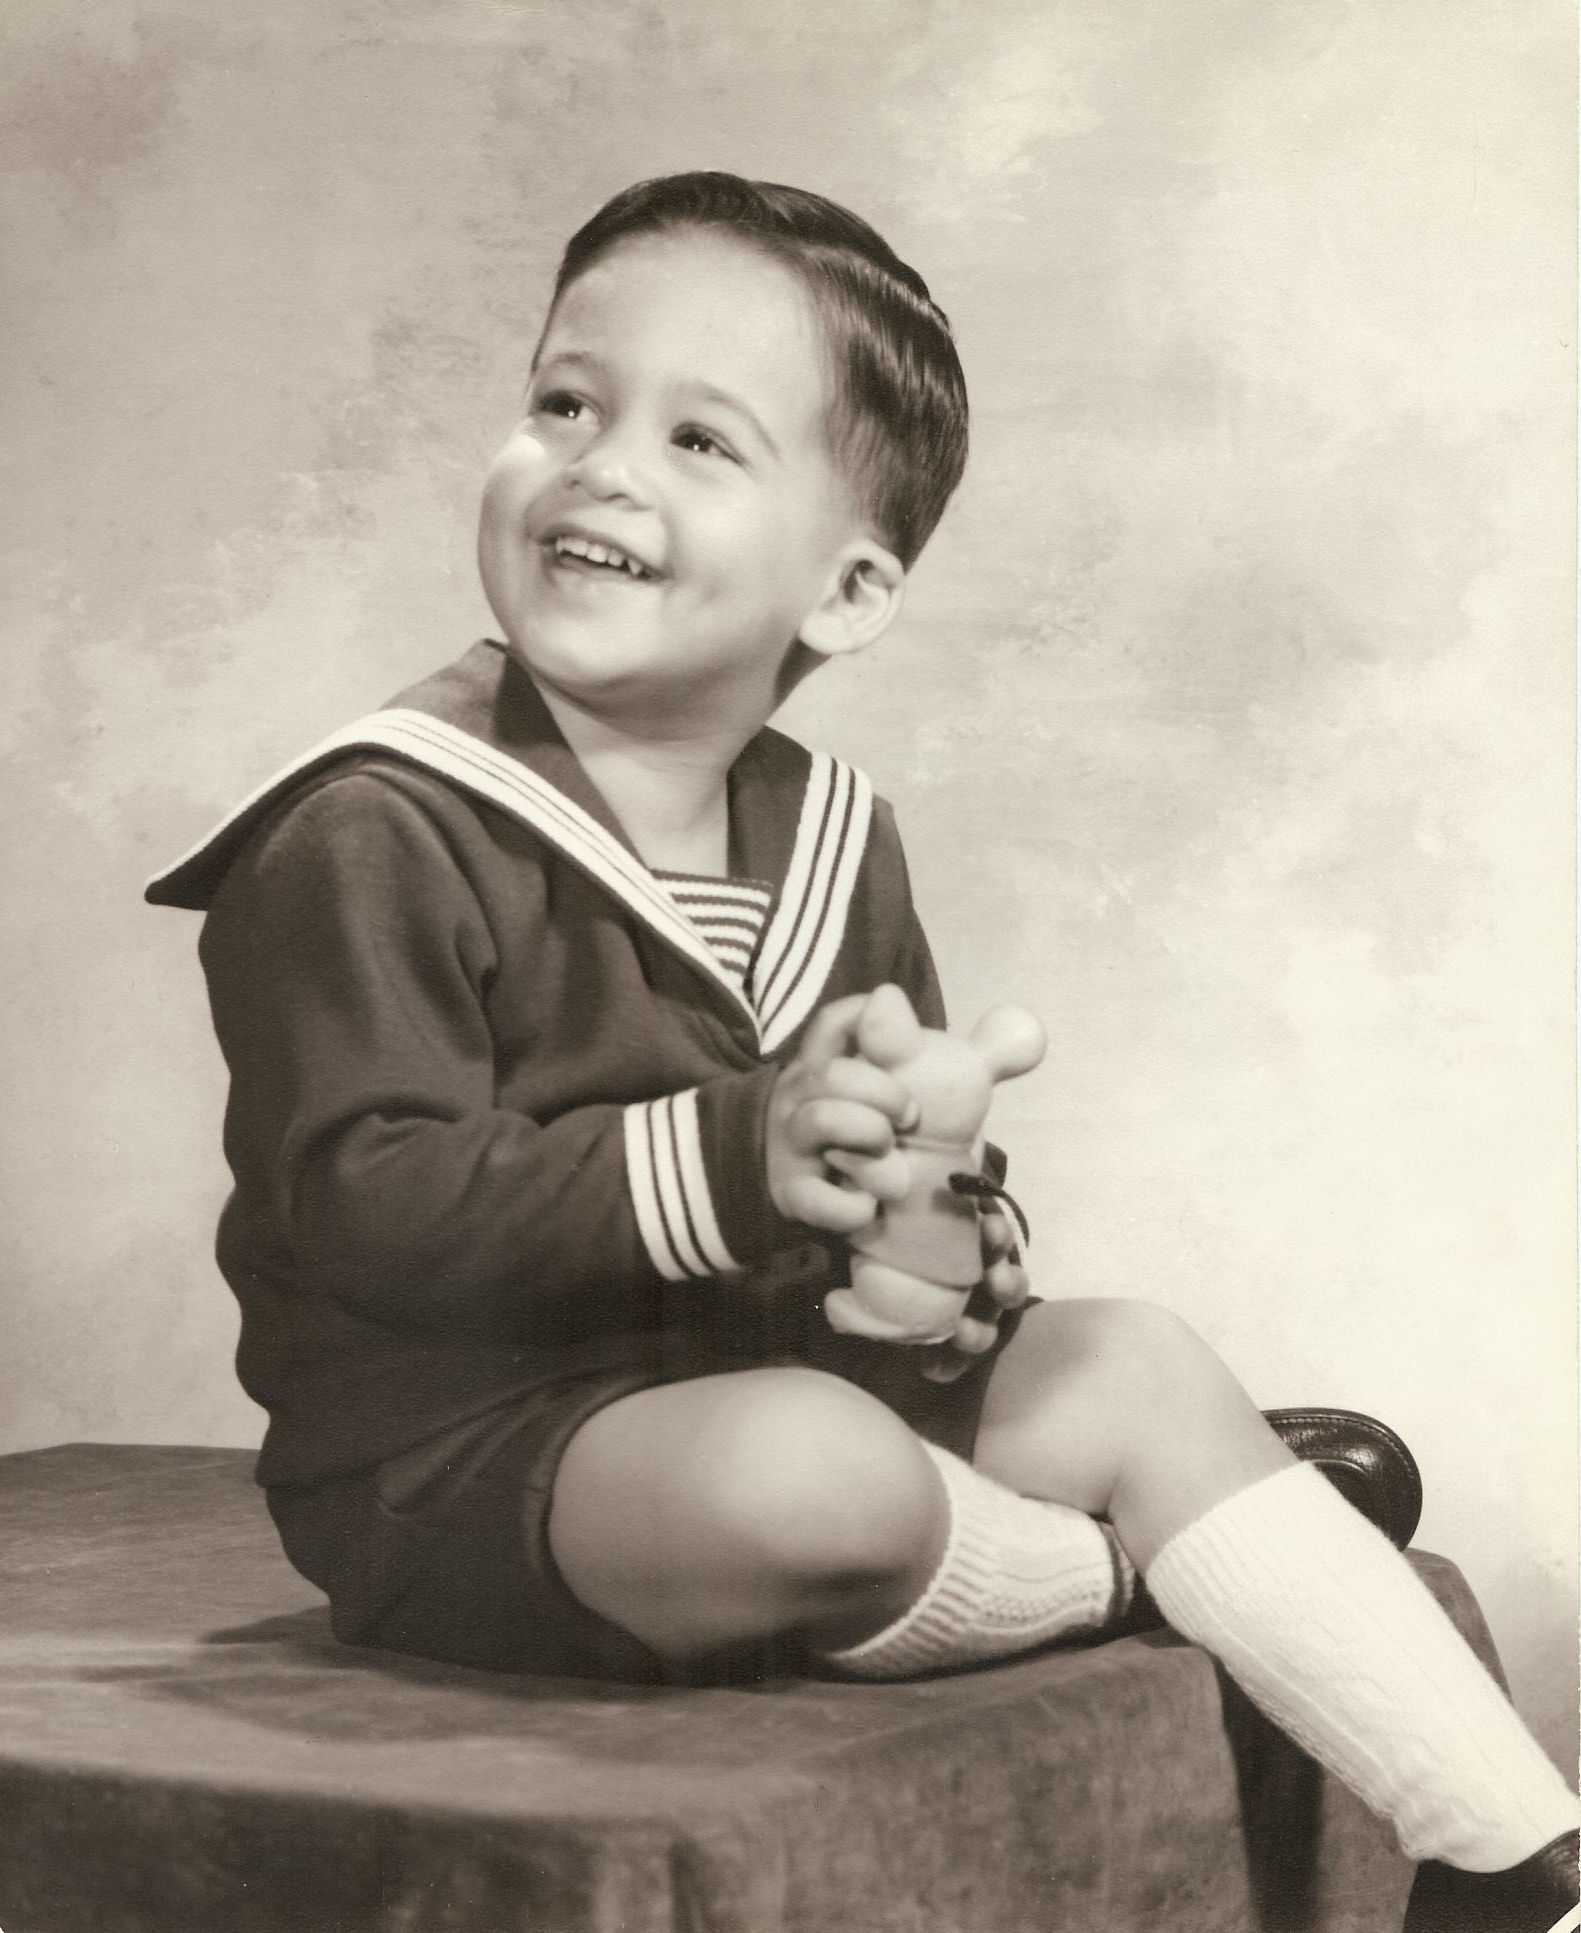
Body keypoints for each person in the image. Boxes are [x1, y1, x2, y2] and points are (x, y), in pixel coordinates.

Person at [149, 172, 1577, 1930]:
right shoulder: (371, 822)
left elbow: (895, 1177)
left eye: (698, 439)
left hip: (778, 1375)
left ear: (846, 590)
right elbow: (365, 1204)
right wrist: (744, 1154)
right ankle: (1139, 1561)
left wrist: (934, 1253)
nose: (600, 466)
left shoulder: (834, 833)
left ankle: (1507, 1860)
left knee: (1133, 1356)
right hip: (468, 1461)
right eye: (567, 402)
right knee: (806, 1468)